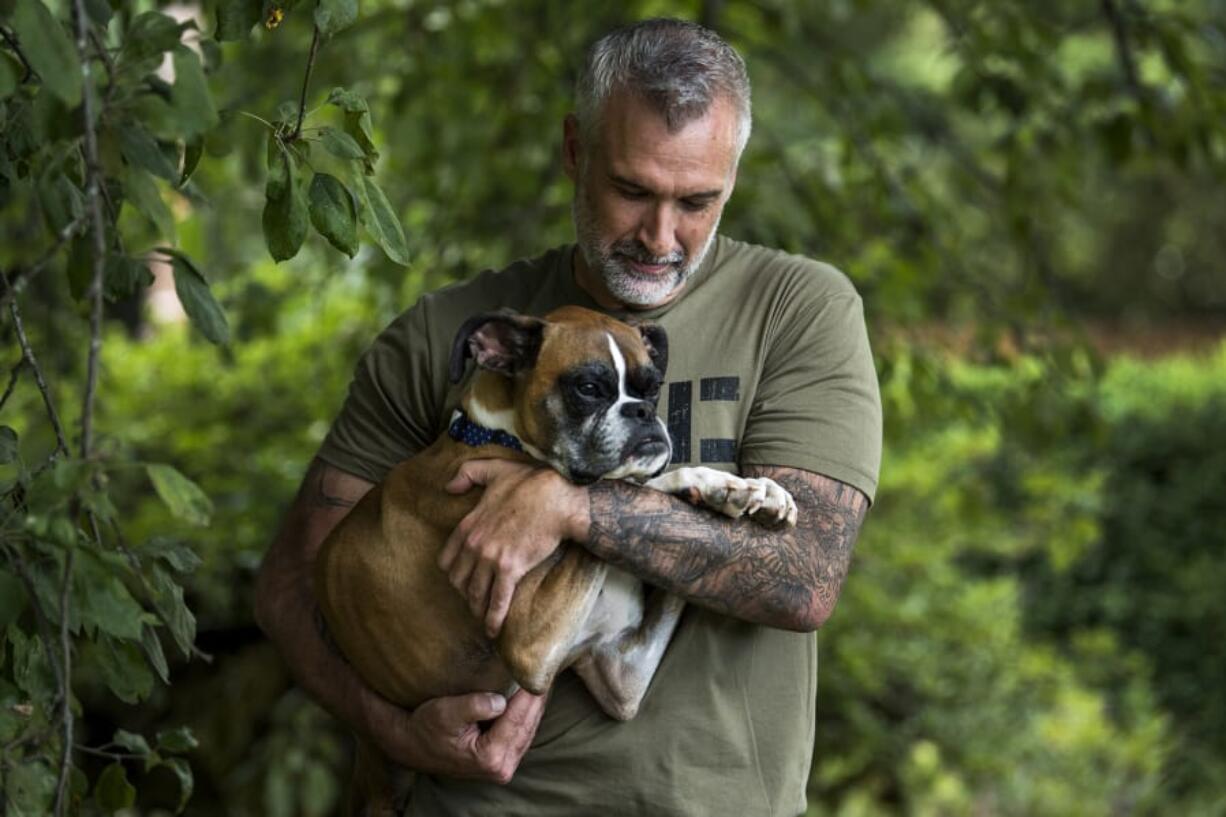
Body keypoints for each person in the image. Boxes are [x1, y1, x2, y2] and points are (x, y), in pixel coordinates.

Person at [256, 17, 881, 817]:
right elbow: (288, 586)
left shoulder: (797, 310)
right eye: (633, 190)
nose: (662, 236)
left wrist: (572, 506)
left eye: (698, 201)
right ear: (575, 150)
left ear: (733, 174)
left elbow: (804, 576)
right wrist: (390, 727)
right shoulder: (454, 334)